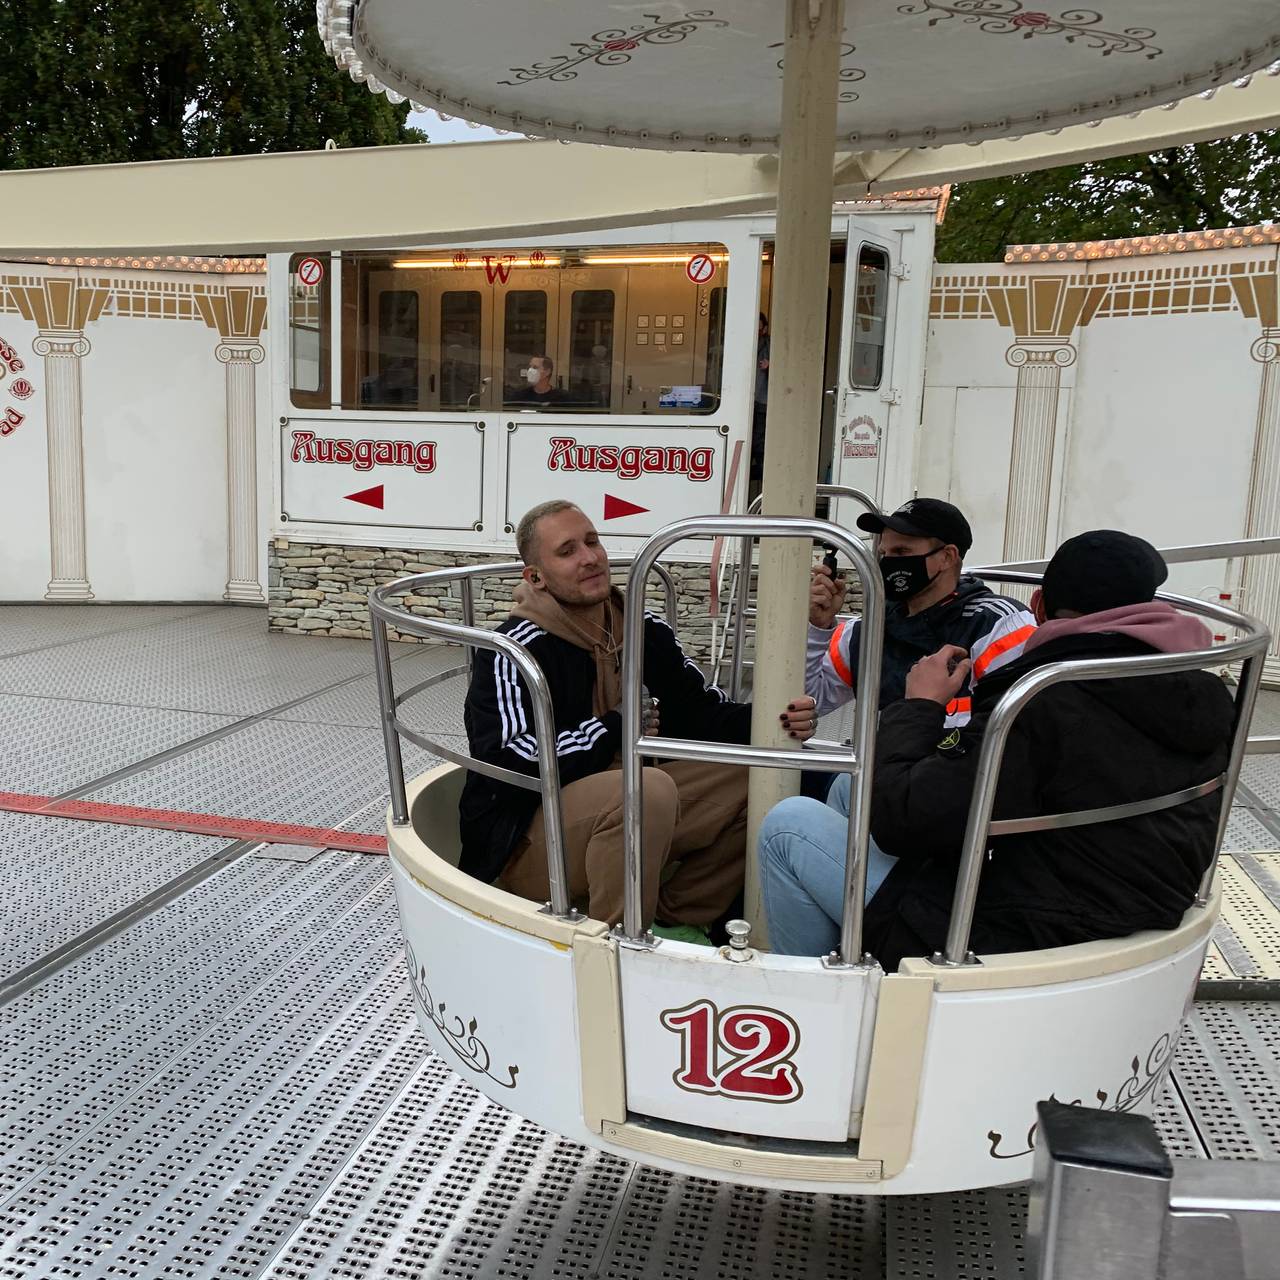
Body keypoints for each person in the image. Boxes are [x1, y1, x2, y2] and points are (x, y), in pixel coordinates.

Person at [860, 529, 1237, 970]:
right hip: (1145, 891)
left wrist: (918, 706)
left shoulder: (1041, 698)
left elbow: (902, 822)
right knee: (847, 796)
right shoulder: (1204, 691)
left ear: (1037, 605)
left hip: (1028, 920)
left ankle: (840, 1000)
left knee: (789, 830)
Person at [460, 500, 777, 943]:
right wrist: (613, 725)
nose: (590, 557)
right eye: (567, 551)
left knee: (761, 776)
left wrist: (779, 719)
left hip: (628, 807)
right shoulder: (513, 650)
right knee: (644, 788)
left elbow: (703, 713)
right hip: (528, 843)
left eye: (592, 541)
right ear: (536, 577)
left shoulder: (639, 629)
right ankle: (617, 946)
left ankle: (678, 916)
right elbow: (509, 762)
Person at [760, 498, 1037, 954]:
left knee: (786, 827)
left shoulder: (996, 625)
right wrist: (816, 626)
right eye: (884, 554)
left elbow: (1016, 737)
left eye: (903, 553)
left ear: (947, 558)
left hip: (959, 827)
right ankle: (850, 950)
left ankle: (814, 980)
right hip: (909, 803)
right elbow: (813, 693)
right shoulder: (872, 626)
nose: (889, 565)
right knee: (845, 790)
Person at [748, 313, 769, 502]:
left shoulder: (770, 345)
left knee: (760, 448)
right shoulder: (742, 343)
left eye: (759, 326)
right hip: (746, 405)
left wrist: (771, 366)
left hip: (762, 403)